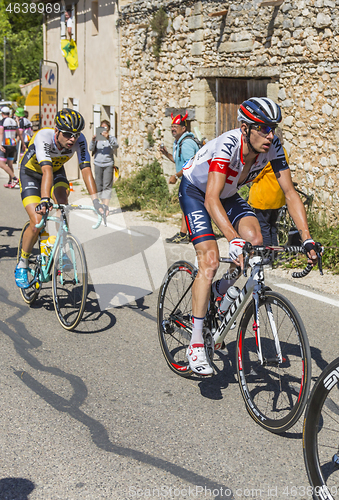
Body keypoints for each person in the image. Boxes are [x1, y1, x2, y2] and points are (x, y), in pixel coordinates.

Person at [179, 97, 320, 375]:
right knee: (209, 260)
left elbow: (290, 193)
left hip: (228, 196)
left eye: (273, 129)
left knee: (255, 241)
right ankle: (196, 343)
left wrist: (306, 237)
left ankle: (222, 289)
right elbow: (210, 198)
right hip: (197, 192)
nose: (271, 135)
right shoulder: (227, 146)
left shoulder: (273, 146)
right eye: (263, 129)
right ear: (245, 128)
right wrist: (232, 239)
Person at [15, 108, 106, 289]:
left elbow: (86, 170)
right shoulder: (43, 137)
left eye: (76, 134)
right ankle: (22, 264)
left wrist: (96, 201)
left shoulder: (79, 141)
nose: (72, 139)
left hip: (56, 172)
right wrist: (44, 199)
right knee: (37, 221)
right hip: (32, 174)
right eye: (67, 134)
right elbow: (46, 170)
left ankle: (62, 248)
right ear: (56, 131)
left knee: (63, 206)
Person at [160, 112, 200, 244]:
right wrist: (166, 154)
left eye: (176, 126)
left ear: (184, 128)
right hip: (188, 179)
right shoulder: (179, 142)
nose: (173, 129)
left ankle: (184, 235)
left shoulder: (186, 143)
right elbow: (180, 162)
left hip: (192, 180)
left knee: (187, 206)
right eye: (172, 126)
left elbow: (189, 165)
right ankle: (186, 233)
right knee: (186, 206)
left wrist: (176, 176)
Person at [247, 127, 287, 246]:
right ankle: (274, 254)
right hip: (277, 196)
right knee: (273, 227)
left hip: (264, 196)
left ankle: (267, 256)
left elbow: (257, 173)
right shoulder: (283, 151)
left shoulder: (269, 153)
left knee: (264, 227)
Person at [89, 120, 118, 210]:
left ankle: (106, 206)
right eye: (102, 127)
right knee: (98, 185)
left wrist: (108, 138)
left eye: (105, 128)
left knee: (107, 185)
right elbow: (90, 148)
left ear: (108, 129)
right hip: (98, 164)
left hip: (108, 164)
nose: (104, 130)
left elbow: (116, 146)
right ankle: (101, 204)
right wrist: (93, 140)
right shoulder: (98, 139)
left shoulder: (112, 138)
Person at [0, 106, 20, 188]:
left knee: (1, 164)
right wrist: (16, 141)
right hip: (13, 144)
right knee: (10, 164)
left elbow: (1, 133)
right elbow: (18, 133)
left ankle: (14, 178)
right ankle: (10, 182)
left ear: (2, 113)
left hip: (5, 144)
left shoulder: (2, 121)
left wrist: (0, 144)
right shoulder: (13, 121)